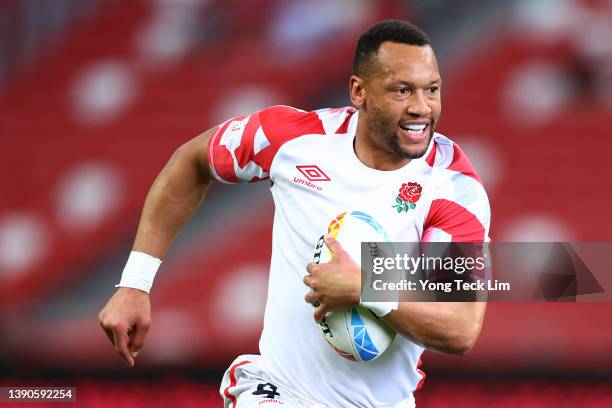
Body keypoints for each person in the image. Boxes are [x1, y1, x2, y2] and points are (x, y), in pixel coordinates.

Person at [98, 19, 490, 408]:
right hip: (280, 392)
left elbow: (460, 327)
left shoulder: (453, 188)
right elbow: (193, 161)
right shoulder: (293, 139)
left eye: (432, 90)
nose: (421, 107)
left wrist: (365, 286)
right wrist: (135, 282)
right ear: (359, 91)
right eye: (402, 90)